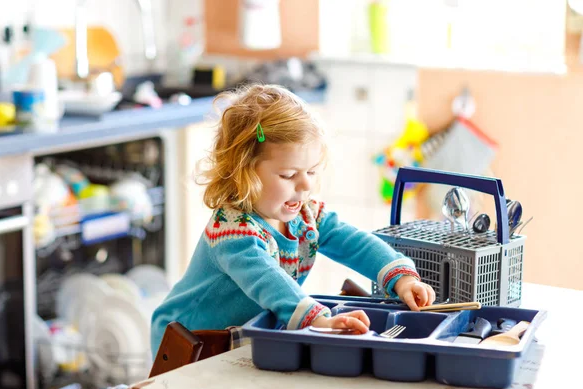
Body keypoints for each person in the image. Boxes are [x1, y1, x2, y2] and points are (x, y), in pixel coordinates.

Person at [150, 84, 435, 357]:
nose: (304, 186)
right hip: (188, 341)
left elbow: (355, 243)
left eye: (311, 172)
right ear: (243, 172)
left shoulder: (306, 215)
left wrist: (402, 279)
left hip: (237, 336)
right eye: (288, 175)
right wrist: (318, 319)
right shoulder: (232, 231)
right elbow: (268, 281)